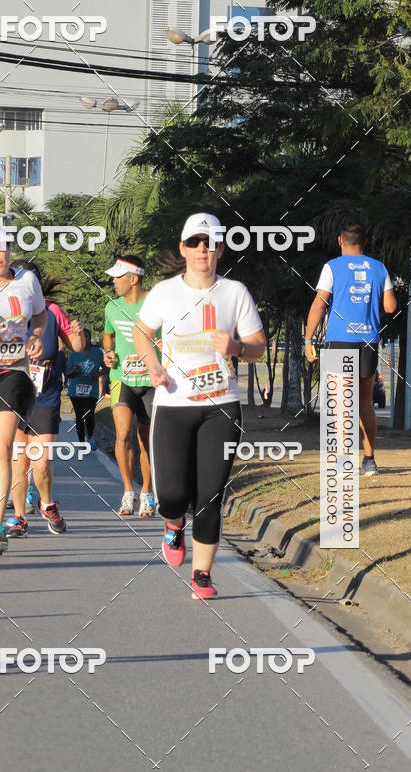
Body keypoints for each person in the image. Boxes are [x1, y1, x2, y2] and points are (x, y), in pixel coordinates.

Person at [133, 213, 266, 600]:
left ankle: (203, 574)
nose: (202, 250)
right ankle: (173, 524)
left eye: (210, 243)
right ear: (183, 249)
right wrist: (152, 365)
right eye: (195, 242)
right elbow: (143, 332)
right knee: (171, 494)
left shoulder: (235, 292)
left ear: (221, 249)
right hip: (173, 403)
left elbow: (258, 346)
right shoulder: (164, 292)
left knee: (210, 494)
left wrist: (238, 347)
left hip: (220, 406)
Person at [0, 224, 47, 552]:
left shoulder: (28, 281)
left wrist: (35, 337)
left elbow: (41, 317)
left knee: (0, 445)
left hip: (14, 369)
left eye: (0, 247)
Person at [304, 217, 397, 476]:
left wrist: (308, 339)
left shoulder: (332, 267)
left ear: (340, 241)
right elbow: (390, 307)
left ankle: (344, 461)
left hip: (340, 339)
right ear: (364, 242)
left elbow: (319, 304)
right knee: (364, 402)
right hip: (368, 340)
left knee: (342, 404)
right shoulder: (379, 268)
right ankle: (369, 461)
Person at [8, 260, 84, 536]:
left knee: (39, 461)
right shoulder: (6, 312)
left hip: (46, 395)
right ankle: (18, 518)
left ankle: (47, 502)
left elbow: (76, 346)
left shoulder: (52, 311)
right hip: (13, 393)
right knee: (19, 460)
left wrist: (77, 335)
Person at [103, 255, 157, 517]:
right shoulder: (112, 307)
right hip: (121, 378)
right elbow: (108, 334)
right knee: (123, 433)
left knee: (146, 440)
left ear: (133, 279)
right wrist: (108, 352)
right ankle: (128, 491)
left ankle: (146, 493)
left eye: (118, 276)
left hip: (150, 381)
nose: (113, 281)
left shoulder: (157, 305)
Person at [66, 329, 104, 449]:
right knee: (79, 416)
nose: (84, 339)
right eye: (82, 336)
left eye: (86, 336)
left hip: (91, 390)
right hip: (75, 391)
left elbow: (106, 367)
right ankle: (82, 442)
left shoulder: (97, 353)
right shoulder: (73, 354)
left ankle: (91, 437)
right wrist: (74, 371)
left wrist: (98, 374)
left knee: (89, 414)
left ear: (89, 338)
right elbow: (67, 373)